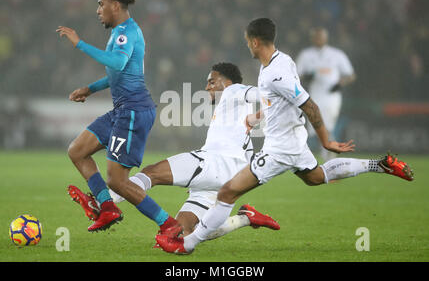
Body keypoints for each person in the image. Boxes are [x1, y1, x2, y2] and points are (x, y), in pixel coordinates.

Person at [155, 18, 414, 254]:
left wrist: (325, 140)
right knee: (316, 176)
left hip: (280, 148)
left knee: (226, 193)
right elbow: (280, 102)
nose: (248, 47)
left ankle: (187, 244)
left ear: (255, 42)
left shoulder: (274, 74)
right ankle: (379, 165)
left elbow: (309, 105)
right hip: (295, 139)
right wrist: (257, 118)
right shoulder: (283, 61)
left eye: (247, 42)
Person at [69, 62, 280, 242]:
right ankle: (245, 218)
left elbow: (264, 93)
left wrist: (283, 94)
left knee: (151, 173)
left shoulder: (235, 90)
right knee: (183, 234)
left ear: (227, 83)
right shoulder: (235, 107)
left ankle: (103, 203)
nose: (206, 87)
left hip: (214, 164)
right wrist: (260, 116)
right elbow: (261, 111)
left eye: (212, 82)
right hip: (225, 177)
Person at [57, 0, 176, 233]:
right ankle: (108, 208)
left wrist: (80, 43)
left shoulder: (127, 33)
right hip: (122, 110)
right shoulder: (119, 32)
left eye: (101, 5)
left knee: (118, 181)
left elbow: (117, 62)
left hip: (133, 112)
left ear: (115, 4)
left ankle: (169, 224)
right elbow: (118, 73)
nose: (98, 10)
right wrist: (90, 89)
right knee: (77, 150)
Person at [296, 27, 356, 161]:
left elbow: (351, 75)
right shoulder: (306, 55)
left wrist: (339, 84)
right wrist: (306, 77)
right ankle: (329, 157)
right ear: (312, 39)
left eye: (321, 36)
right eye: (316, 37)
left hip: (331, 97)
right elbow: (296, 75)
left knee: (327, 126)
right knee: (318, 128)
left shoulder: (336, 54)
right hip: (314, 96)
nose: (318, 39)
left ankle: (330, 159)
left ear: (326, 38)